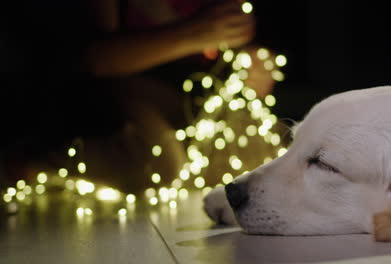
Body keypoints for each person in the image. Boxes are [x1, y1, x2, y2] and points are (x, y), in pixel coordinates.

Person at [3, 0, 276, 192]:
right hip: (123, 90)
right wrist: (196, 33)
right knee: (159, 165)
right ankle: (33, 162)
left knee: (266, 156)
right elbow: (93, 59)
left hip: (202, 97)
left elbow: (239, 42)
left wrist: (254, 63)